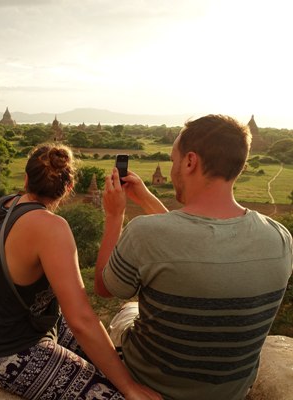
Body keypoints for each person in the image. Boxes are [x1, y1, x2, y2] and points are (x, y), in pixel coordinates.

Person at [95, 114, 292, 400]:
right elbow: (195, 243)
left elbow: (104, 287)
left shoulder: (144, 234)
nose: (173, 168)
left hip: (150, 384)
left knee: (129, 309)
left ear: (190, 161)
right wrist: (147, 198)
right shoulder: (280, 237)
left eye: (174, 161)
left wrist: (115, 215)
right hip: (232, 391)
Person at [0, 143, 161, 400]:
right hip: (5, 351)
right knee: (117, 395)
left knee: (120, 364)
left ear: (26, 179)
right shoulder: (51, 227)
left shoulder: (3, 205)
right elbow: (81, 319)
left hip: (15, 326)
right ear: (68, 189)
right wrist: (129, 388)